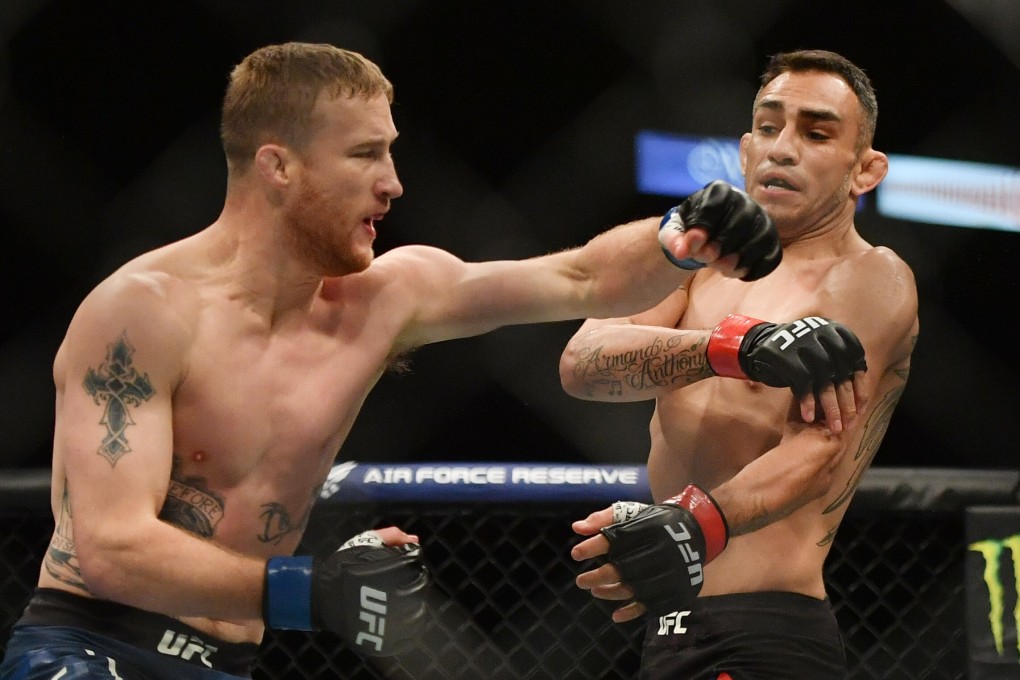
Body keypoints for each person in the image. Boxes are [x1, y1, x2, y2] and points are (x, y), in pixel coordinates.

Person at [0, 42, 869, 680]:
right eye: (365, 155)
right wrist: (314, 591)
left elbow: (576, 277)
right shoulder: (141, 312)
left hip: (229, 664)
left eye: (392, 151)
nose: (394, 182)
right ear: (279, 167)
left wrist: (681, 237)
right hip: (89, 647)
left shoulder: (388, 296)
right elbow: (110, 549)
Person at [563, 49, 919, 679]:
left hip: (765, 627)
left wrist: (694, 522)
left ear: (865, 170)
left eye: (816, 133)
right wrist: (731, 347)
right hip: (666, 625)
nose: (783, 148)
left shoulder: (871, 277)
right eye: (768, 125)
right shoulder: (698, 258)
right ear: (745, 147)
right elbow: (583, 363)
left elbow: (816, 453)